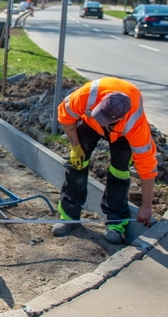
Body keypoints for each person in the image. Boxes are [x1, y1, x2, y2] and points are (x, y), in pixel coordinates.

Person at [52, 77, 156, 244]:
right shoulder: (87, 95)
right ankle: (68, 216)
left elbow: (147, 168)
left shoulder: (135, 126)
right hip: (89, 124)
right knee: (77, 164)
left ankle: (116, 224)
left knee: (120, 172)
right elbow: (65, 116)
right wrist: (75, 147)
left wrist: (146, 207)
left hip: (121, 135)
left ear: (119, 119)